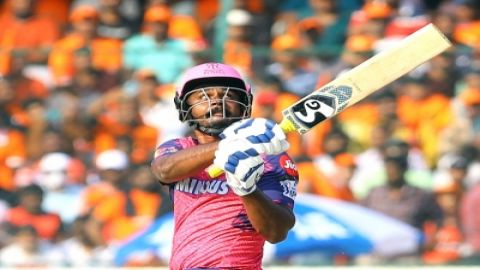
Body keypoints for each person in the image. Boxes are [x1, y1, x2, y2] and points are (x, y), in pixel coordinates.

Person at [150, 62, 298, 269]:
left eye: (228, 96)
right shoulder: (178, 147)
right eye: (203, 96)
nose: (217, 102)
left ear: (243, 104)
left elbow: (276, 232)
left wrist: (247, 190)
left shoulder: (271, 158)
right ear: (184, 106)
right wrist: (232, 144)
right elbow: (164, 170)